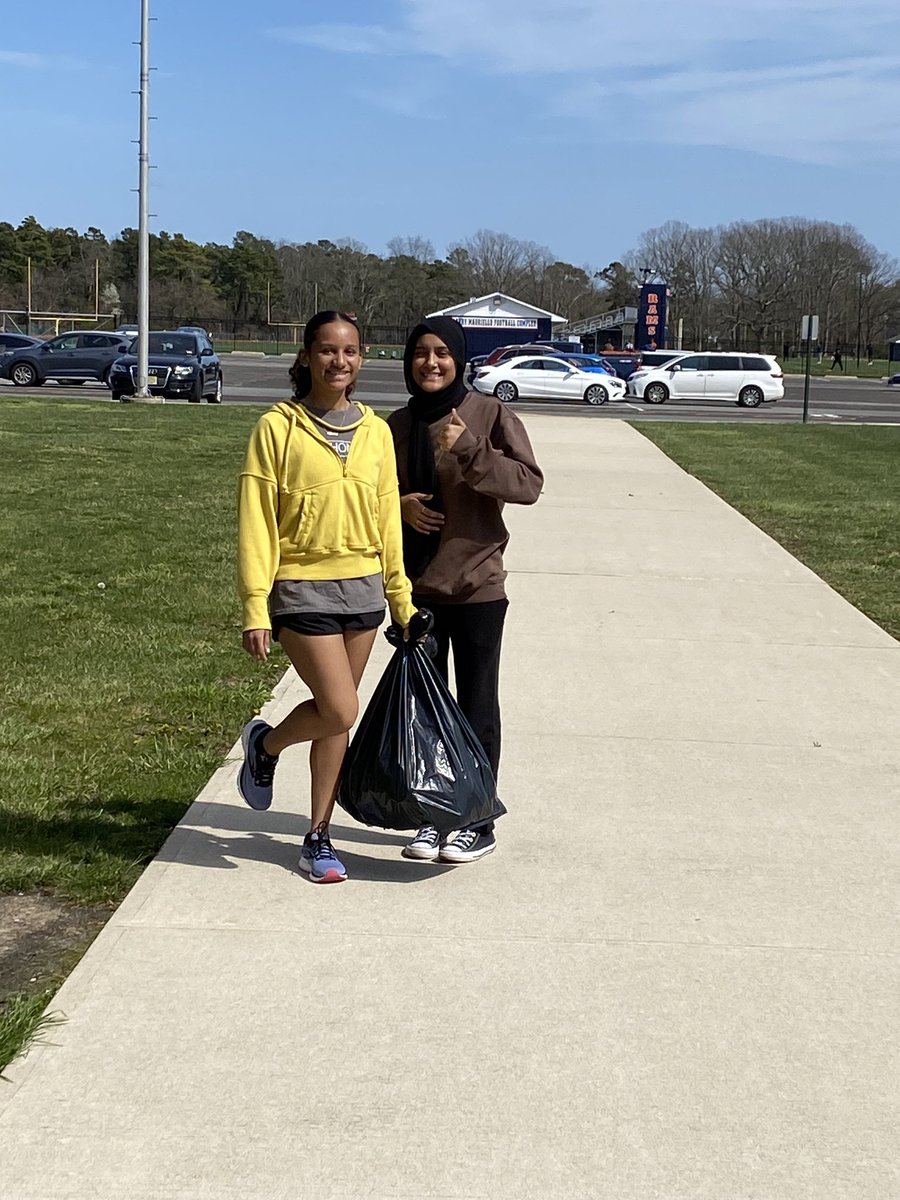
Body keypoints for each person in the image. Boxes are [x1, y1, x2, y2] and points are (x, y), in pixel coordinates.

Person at [236, 310, 416, 883]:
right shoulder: (277, 427)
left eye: (351, 351)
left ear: (361, 359)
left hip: (362, 587)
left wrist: (400, 596)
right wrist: (254, 605)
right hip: (300, 586)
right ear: (307, 356)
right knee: (339, 707)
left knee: (336, 720)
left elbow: (388, 517)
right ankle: (266, 747)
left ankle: (318, 836)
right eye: (328, 350)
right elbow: (258, 522)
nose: (340, 361)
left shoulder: (376, 431)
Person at [387, 316, 543, 865]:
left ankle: (476, 819)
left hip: (477, 587)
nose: (431, 363)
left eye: (442, 353)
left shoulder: (488, 413)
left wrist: (471, 448)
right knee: (425, 713)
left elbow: (528, 485)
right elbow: (366, 494)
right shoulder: (395, 425)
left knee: (477, 707)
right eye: (420, 353)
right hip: (417, 591)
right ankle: (434, 814)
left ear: (458, 359)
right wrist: (396, 505)